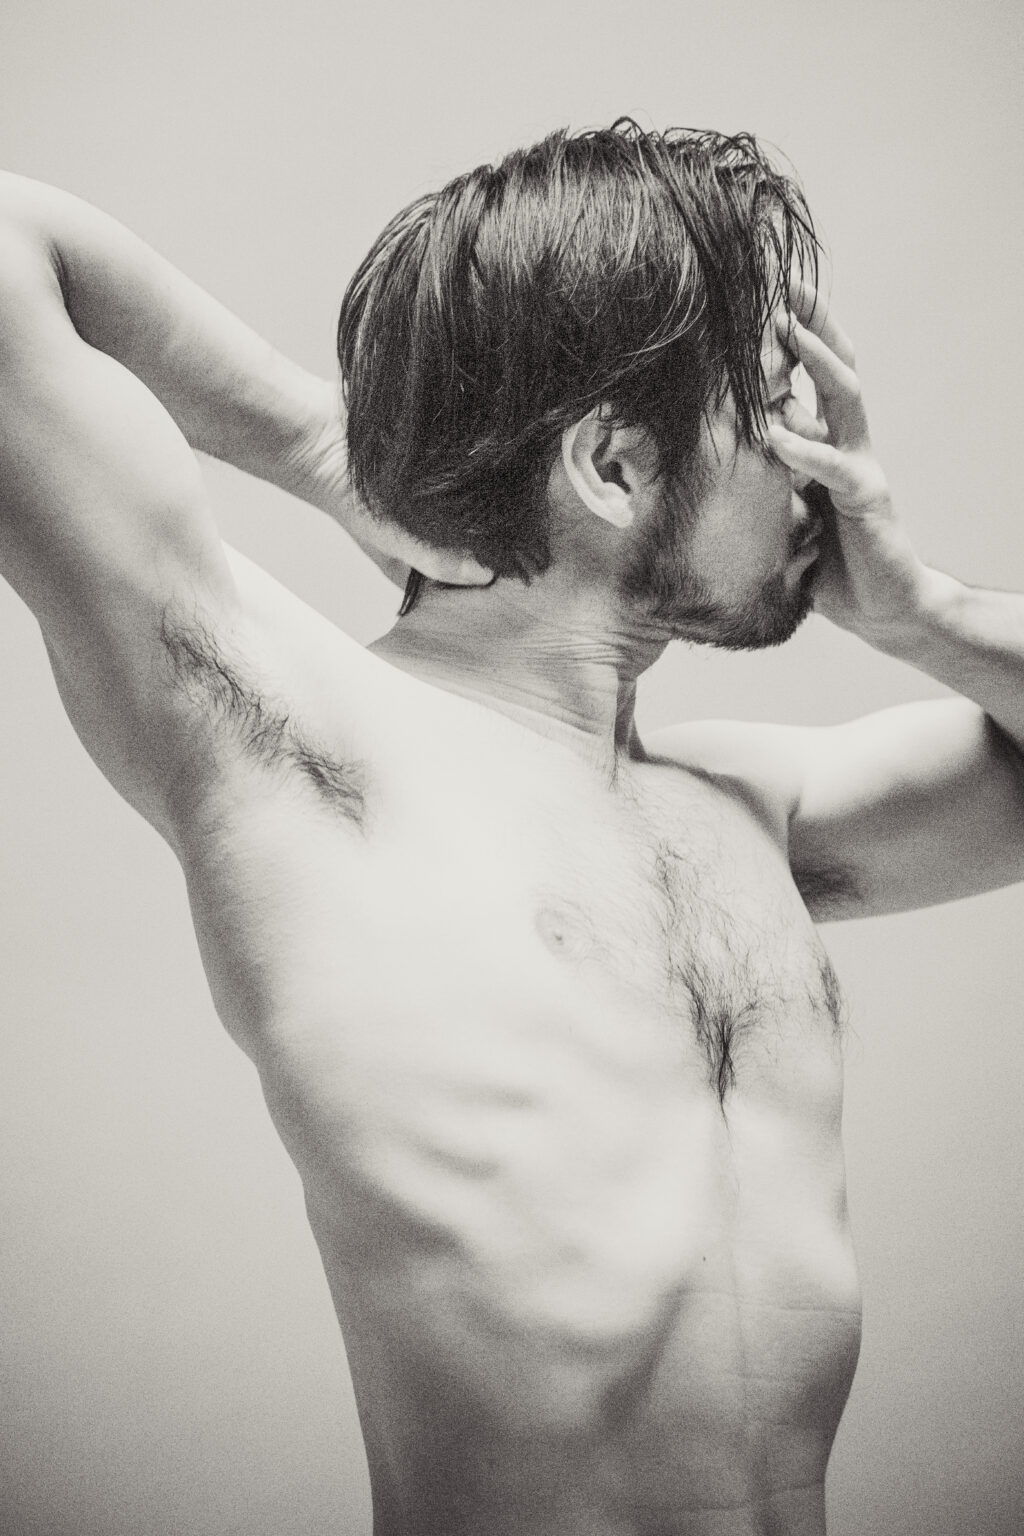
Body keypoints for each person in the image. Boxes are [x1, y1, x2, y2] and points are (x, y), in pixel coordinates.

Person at [1, 121, 1021, 1536]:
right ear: (614, 463)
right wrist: (321, 445)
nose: (826, 473)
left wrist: (928, 613)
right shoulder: (303, 753)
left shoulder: (753, 813)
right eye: (774, 420)